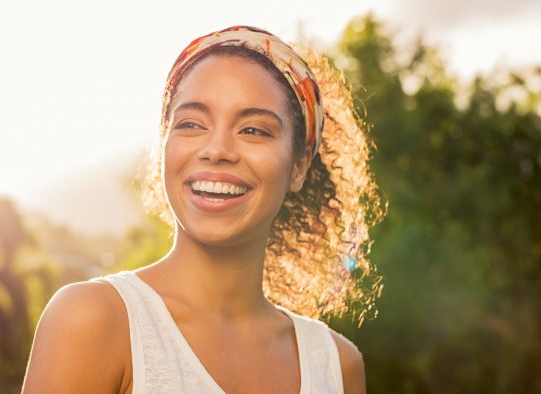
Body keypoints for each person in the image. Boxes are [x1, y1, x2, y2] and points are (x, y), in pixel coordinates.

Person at [22, 25, 383, 394]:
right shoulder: (93, 320)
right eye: (191, 124)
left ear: (299, 166)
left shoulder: (337, 366)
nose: (216, 149)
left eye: (253, 130)